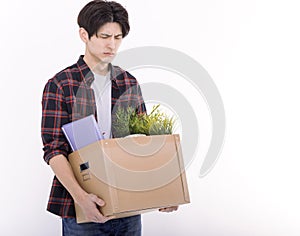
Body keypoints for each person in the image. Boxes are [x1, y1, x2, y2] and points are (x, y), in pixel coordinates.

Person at [41, 1, 178, 235]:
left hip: (128, 207)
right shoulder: (61, 85)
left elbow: (147, 142)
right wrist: (82, 198)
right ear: (84, 34)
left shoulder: (128, 83)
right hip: (80, 208)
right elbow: (54, 150)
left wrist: (165, 189)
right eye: (104, 36)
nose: (111, 44)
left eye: (118, 37)